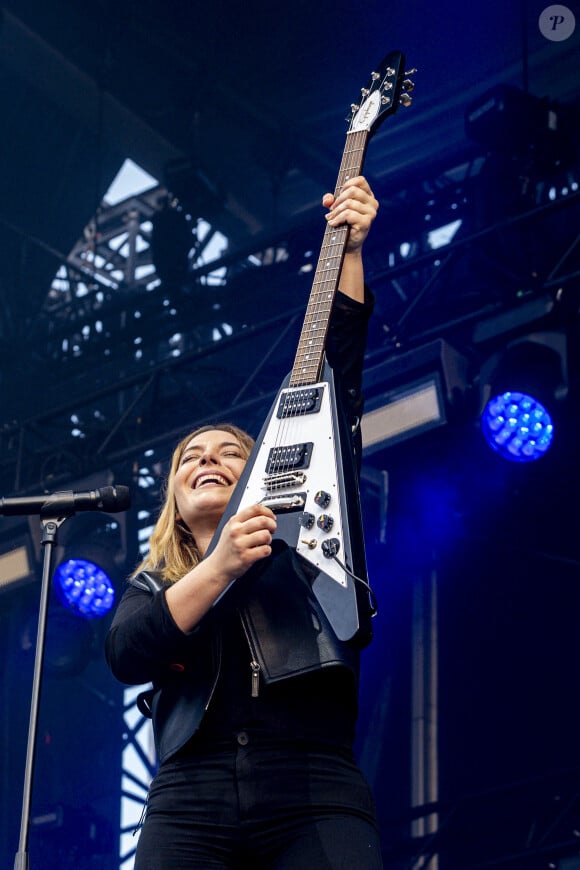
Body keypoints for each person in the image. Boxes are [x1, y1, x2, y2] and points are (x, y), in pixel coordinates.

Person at [105, 175, 383, 869]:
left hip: (312, 777)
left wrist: (347, 251)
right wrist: (221, 564)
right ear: (171, 496)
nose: (208, 461)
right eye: (190, 458)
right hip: (188, 792)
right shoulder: (154, 578)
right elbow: (127, 652)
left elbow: (336, 379)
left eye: (230, 453)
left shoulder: (300, 527)